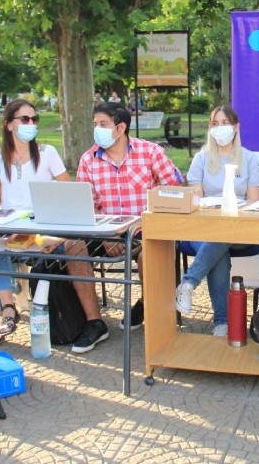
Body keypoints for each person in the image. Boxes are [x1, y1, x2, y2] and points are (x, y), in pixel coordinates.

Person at [0, 99, 108, 351]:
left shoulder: (47, 153)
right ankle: (4, 307)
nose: (31, 124)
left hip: (40, 229)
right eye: (24, 119)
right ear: (8, 125)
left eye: (34, 119)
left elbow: (67, 190)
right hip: (8, 225)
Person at [76, 102, 182, 329]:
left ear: (120, 127)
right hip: (105, 229)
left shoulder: (150, 152)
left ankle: (146, 303)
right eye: (95, 124)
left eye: (103, 124)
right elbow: (86, 205)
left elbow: (173, 192)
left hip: (145, 229)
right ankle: (93, 322)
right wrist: (106, 234)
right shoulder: (88, 159)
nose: (97, 130)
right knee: (71, 246)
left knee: (149, 253)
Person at [174, 105, 259, 336]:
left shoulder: (250, 158)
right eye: (215, 123)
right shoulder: (201, 158)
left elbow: (254, 201)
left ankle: (188, 283)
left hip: (240, 229)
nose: (220, 128)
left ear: (236, 127)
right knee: (217, 243)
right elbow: (196, 200)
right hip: (204, 228)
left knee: (222, 235)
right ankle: (222, 323)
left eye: (225, 123)